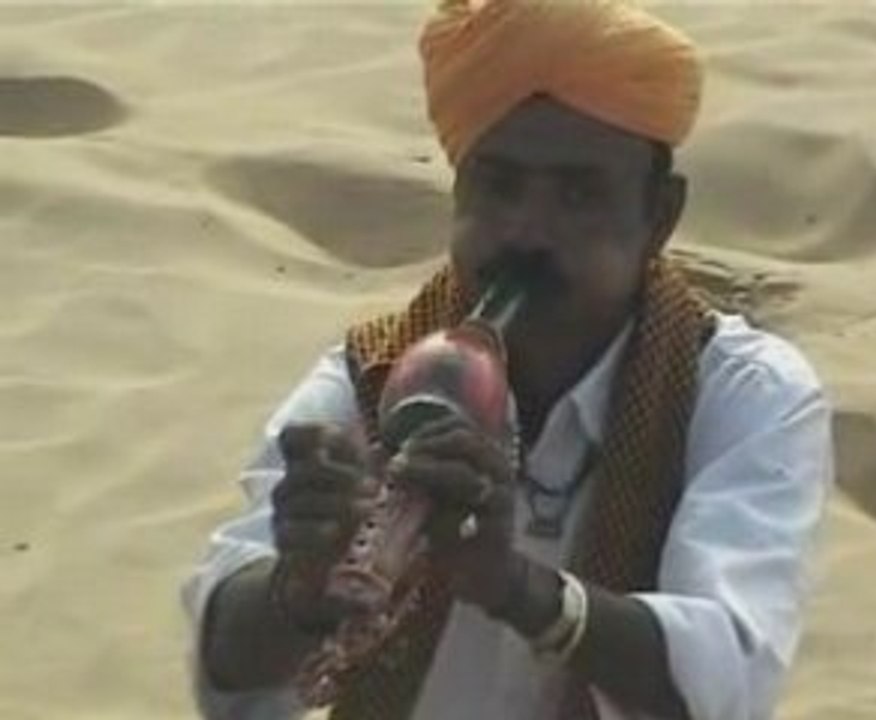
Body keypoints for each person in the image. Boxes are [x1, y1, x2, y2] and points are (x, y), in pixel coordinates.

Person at [182, 2, 834, 719]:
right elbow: (225, 656)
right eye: (499, 185)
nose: (528, 230)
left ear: (659, 218)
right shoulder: (372, 378)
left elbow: (726, 679)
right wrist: (299, 590)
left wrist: (514, 588)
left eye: (580, 194)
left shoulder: (746, 395)